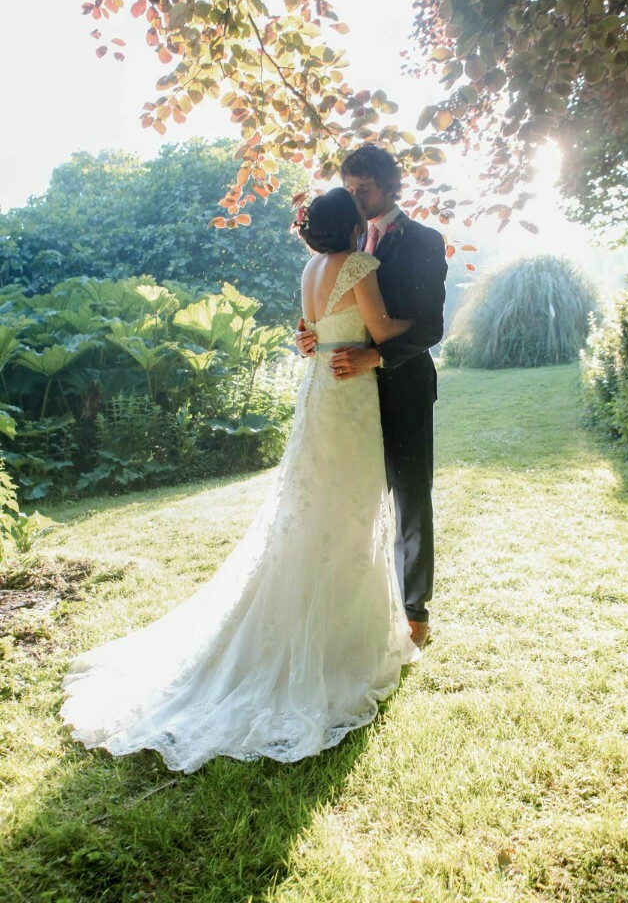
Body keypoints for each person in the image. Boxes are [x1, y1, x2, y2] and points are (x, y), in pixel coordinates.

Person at [61, 188, 419, 772]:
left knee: (316, 508)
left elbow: (311, 331)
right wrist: (421, 323)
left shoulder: (310, 268)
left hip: (320, 390)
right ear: (350, 224)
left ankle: (324, 628)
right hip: (348, 394)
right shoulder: (358, 265)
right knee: (346, 508)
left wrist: (320, 338)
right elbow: (380, 330)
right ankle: (338, 647)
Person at [296, 145, 448, 650]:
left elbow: (430, 326)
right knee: (351, 499)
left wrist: (376, 357)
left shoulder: (423, 241)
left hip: (403, 386)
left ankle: (414, 613)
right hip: (347, 396)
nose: (355, 197)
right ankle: (358, 607)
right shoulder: (341, 244)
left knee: (410, 499)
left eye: (364, 189)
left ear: (389, 187)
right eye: (349, 189)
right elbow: (328, 314)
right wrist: (309, 336)